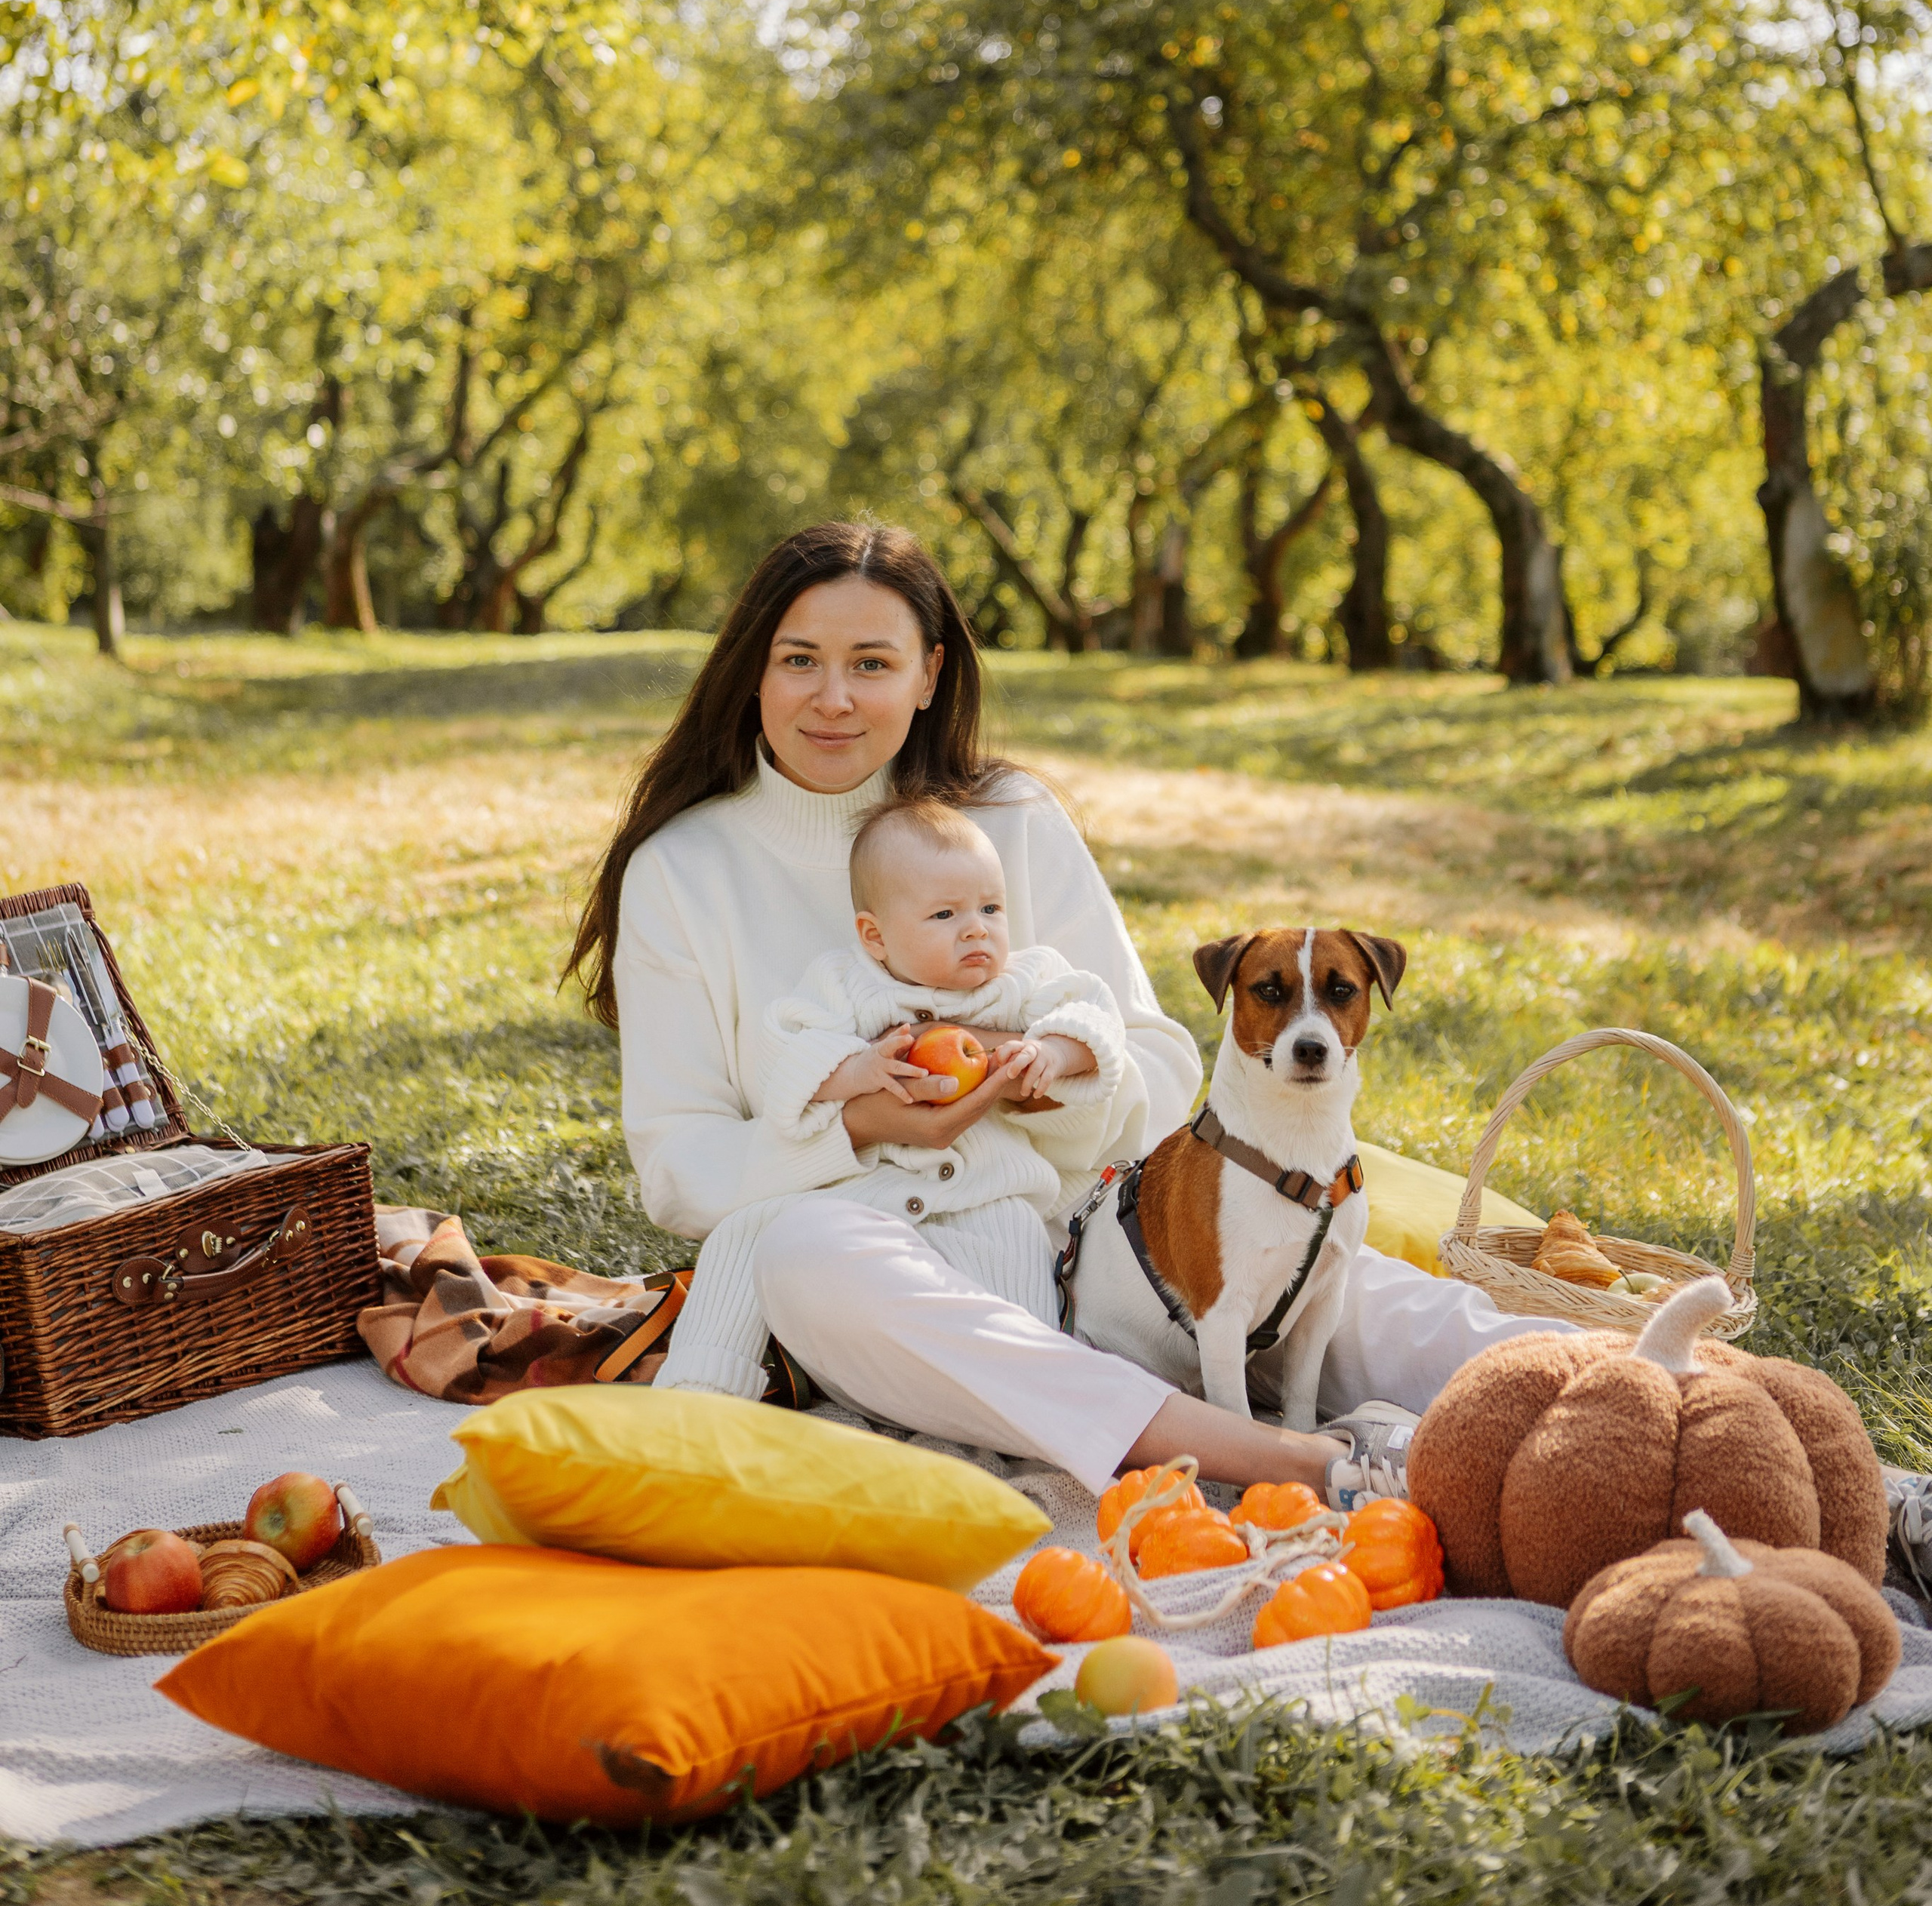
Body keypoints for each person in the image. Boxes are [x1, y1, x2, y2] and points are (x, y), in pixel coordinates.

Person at [565, 518, 1571, 1503]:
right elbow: (681, 1166)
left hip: (1107, 1250)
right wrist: (855, 1126)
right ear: (753, 668)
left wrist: (1036, 1079)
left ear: (929, 675)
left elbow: (1162, 1069)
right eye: (799, 660)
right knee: (801, 1254)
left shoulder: (1010, 820)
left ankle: (1649, 1400)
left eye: (872, 663)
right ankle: (1283, 1460)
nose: (833, 698)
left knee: (1421, 1324)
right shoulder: (684, 871)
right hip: (891, 1284)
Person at [653, 792, 1133, 1398]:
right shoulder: (844, 984)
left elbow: (1095, 1018)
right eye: (945, 915)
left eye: (991, 907)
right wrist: (857, 1068)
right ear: (875, 936)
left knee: (1011, 1281)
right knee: (745, 1231)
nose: (977, 928)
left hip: (988, 1196)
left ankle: (1028, 1394)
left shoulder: (1023, 980)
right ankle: (702, 1387)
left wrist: (1053, 1053)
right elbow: (782, 1055)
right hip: (867, 1199)